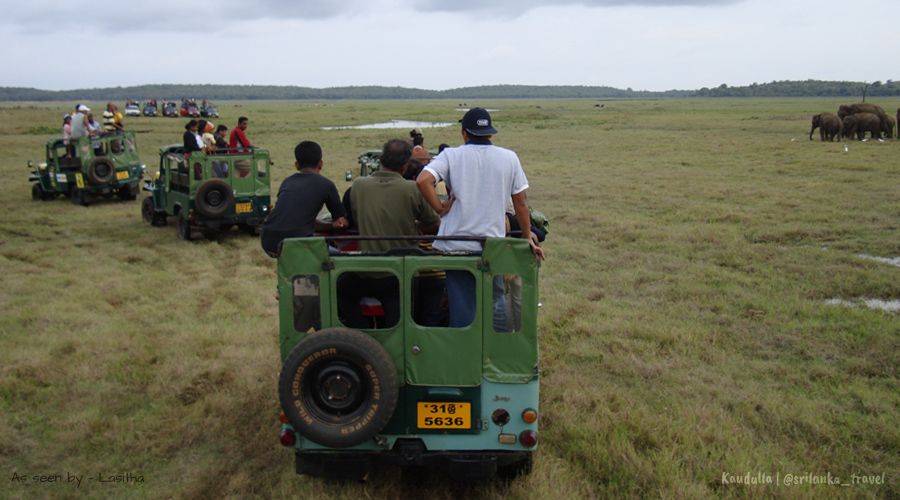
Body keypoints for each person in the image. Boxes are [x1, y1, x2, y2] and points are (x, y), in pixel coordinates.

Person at [416, 107, 544, 328]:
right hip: (490, 247)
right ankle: (498, 351)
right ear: (490, 134)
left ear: (464, 133)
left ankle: (466, 356)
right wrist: (526, 234)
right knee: (495, 301)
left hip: (456, 246)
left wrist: (440, 207)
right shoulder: (509, 158)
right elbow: (521, 202)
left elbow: (422, 180)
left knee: (462, 305)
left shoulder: (451, 155)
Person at [341, 139, 440, 328]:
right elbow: (434, 223)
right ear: (404, 166)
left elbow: (354, 217)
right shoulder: (412, 188)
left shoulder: (359, 186)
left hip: (365, 271)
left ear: (381, 160)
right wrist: (416, 226)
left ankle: (361, 333)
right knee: (400, 323)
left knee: (340, 289)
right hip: (400, 273)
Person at [260, 141, 348, 257]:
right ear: (321, 163)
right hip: (297, 242)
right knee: (340, 258)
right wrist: (336, 225)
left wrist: (329, 226)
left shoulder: (287, 182)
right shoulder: (326, 184)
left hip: (268, 239)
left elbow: (296, 219)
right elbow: (341, 222)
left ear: (296, 165)